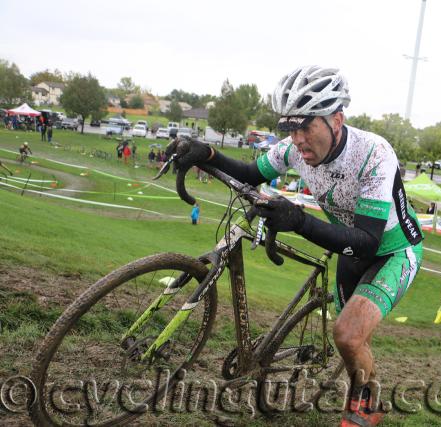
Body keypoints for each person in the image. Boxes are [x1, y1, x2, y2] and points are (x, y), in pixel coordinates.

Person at [166, 65, 424, 426]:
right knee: (350, 341)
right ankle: (364, 389)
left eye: (306, 126)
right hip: (349, 245)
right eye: (290, 128)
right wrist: (206, 154)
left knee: (348, 336)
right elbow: (251, 173)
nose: (298, 139)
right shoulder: (293, 149)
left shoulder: (374, 154)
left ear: (336, 119)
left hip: (392, 251)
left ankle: (366, 405)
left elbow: (368, 242)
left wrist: (300, 221)